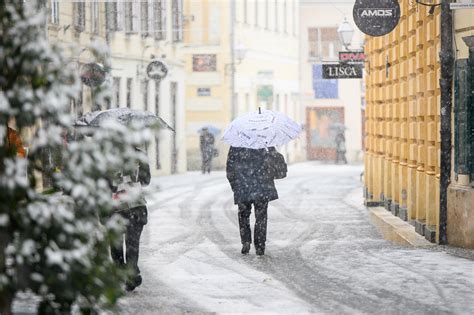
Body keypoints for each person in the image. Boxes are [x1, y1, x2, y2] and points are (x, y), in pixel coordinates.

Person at [226, 146, 281, 256]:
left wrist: (235, 186)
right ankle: (260, 245)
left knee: (243, 215)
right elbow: (275, 163)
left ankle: (246, 241)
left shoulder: (236, 145)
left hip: (242, 187)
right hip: (262, 187)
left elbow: (230, 169)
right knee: (261, 217)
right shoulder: (264, 143)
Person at [110, 148, 150, 291]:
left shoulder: (107, 154)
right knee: (132, 245)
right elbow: (146, 181)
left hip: (116, 207)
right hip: (135, 206)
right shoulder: (139, 155)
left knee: (116, 245)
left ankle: (126, 274)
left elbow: (105, 185)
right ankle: (131, 275)